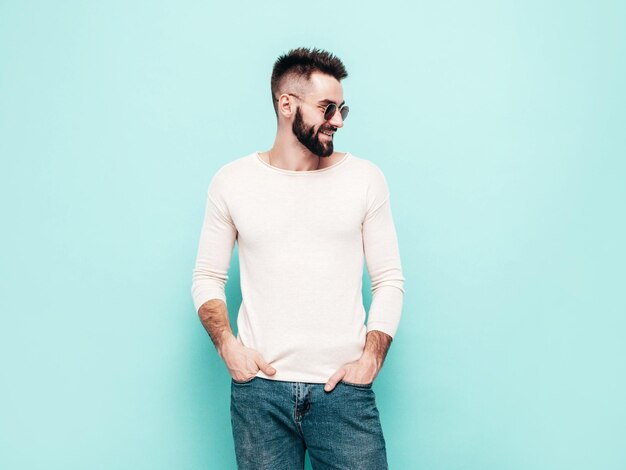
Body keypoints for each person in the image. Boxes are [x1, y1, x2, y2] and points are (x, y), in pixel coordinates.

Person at [191, 47, 405, 469]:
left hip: (343, 392)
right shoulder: (232, 182)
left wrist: (371, 358)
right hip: (260, 395)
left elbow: (389, 279)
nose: (338, 121)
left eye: (342, 109)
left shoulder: (365, 179)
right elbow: (206, 276)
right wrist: (228, 348)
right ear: (286, 105)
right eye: (327, 108)